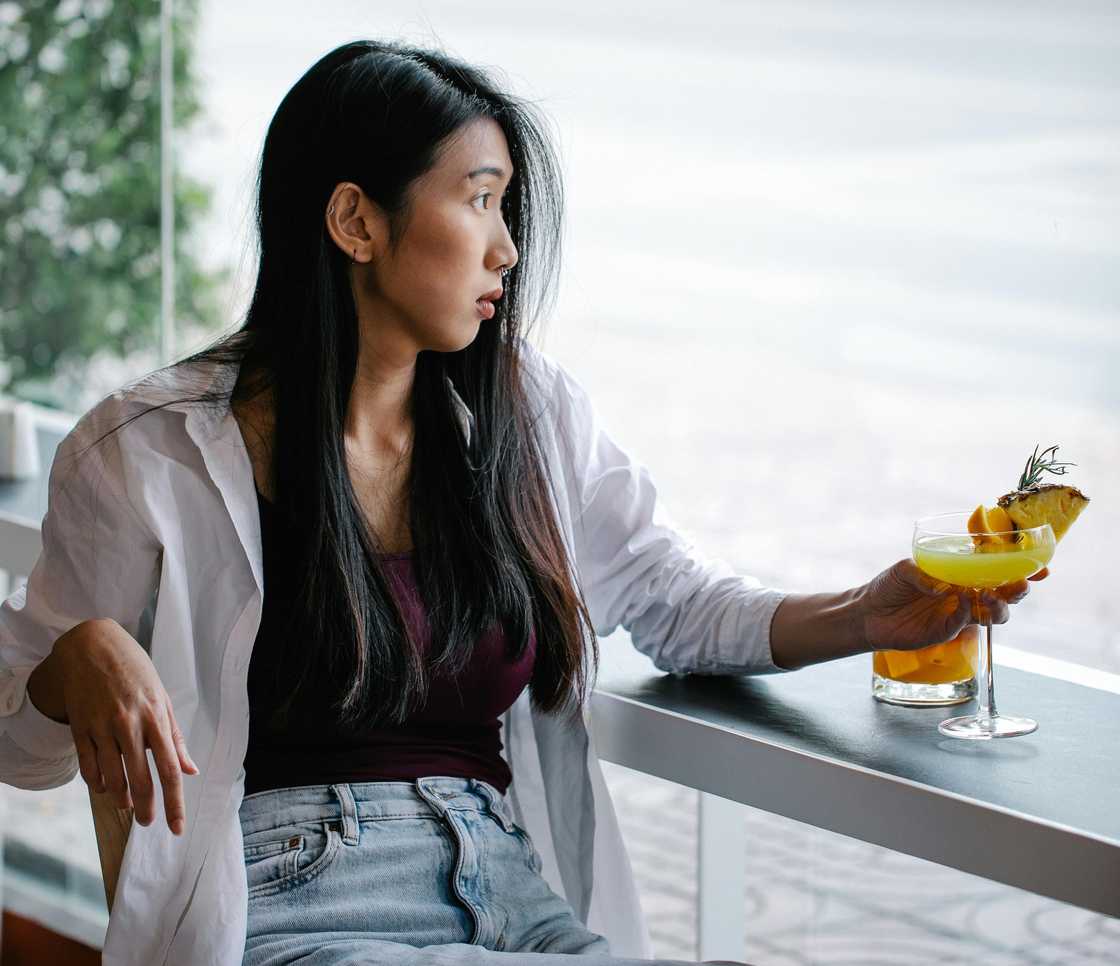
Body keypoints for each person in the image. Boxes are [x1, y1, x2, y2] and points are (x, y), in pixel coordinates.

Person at [0, 39, 1034, 966]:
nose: (506, 249)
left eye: (507, 208)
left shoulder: (523, 414)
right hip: (289, 906)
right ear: (356, 219)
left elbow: (672, 599)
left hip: (509, 894)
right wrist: (71, 662)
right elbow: (18, 743)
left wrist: (866, 613)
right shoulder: (149, 451)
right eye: (479, 199)